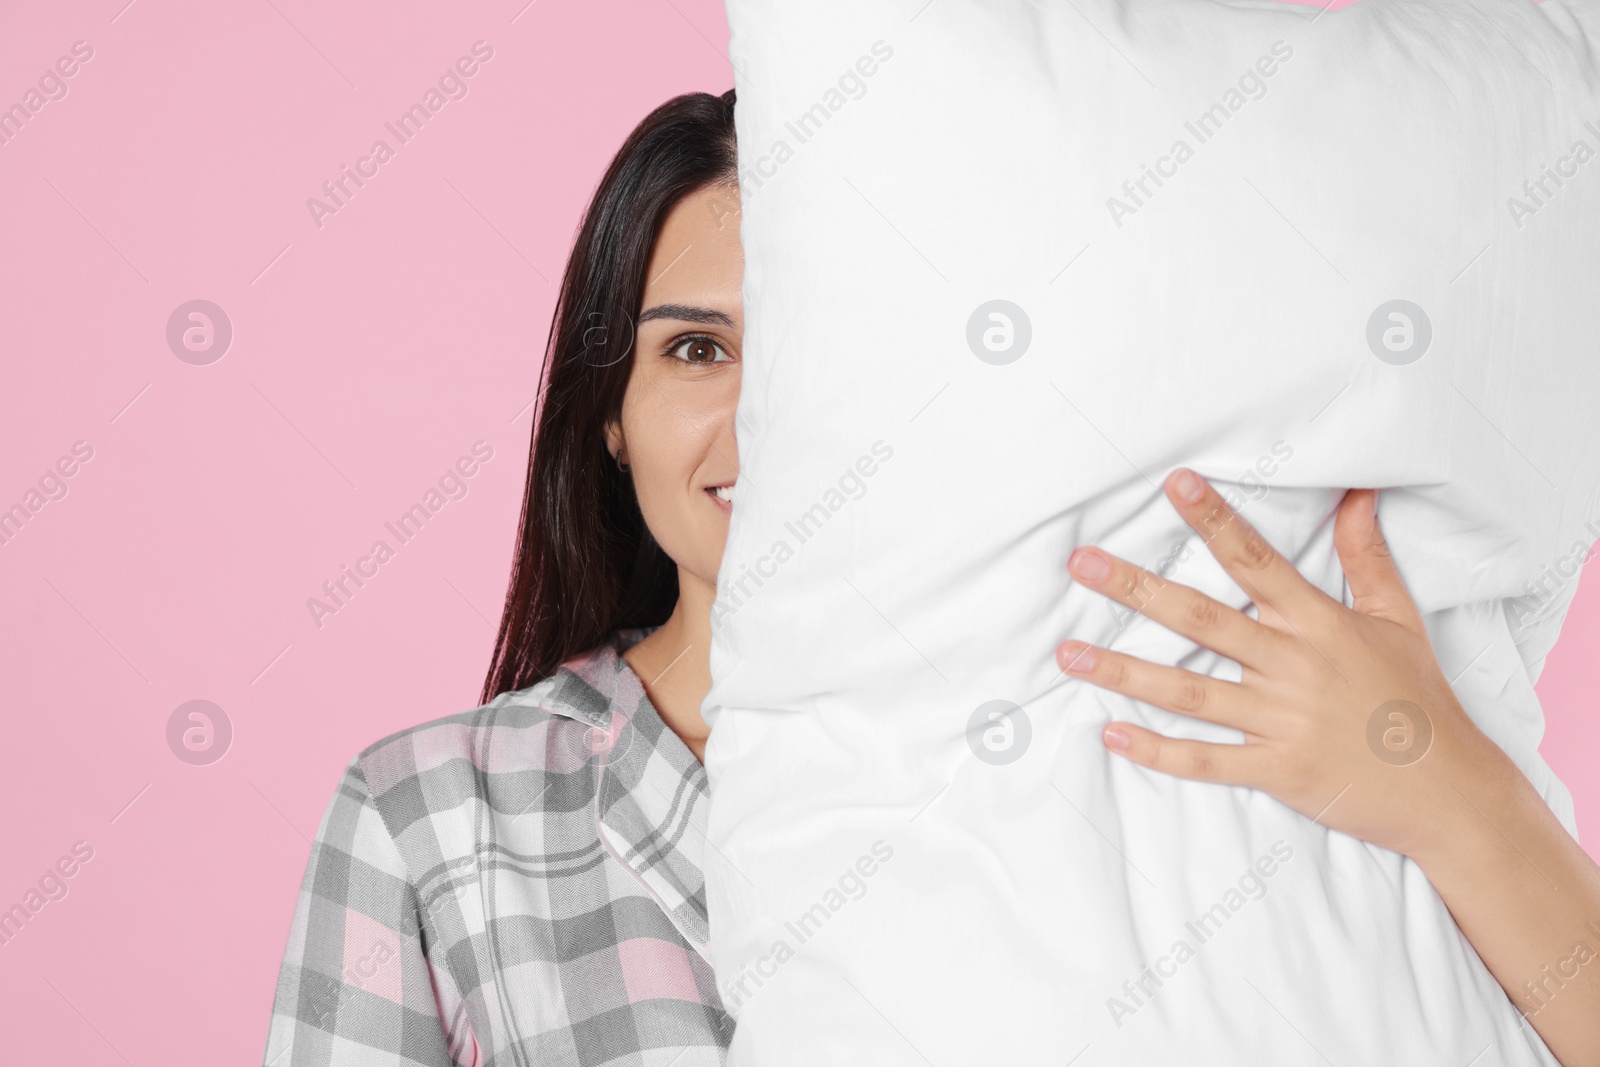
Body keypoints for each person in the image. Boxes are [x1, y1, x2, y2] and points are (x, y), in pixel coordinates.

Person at [262, 87, 1600, 1067]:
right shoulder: (436, 820)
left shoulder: (1121, 714)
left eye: (815, 349)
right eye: (694, 352)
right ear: (605, 411)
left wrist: (1438, 778)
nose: (766, 419)